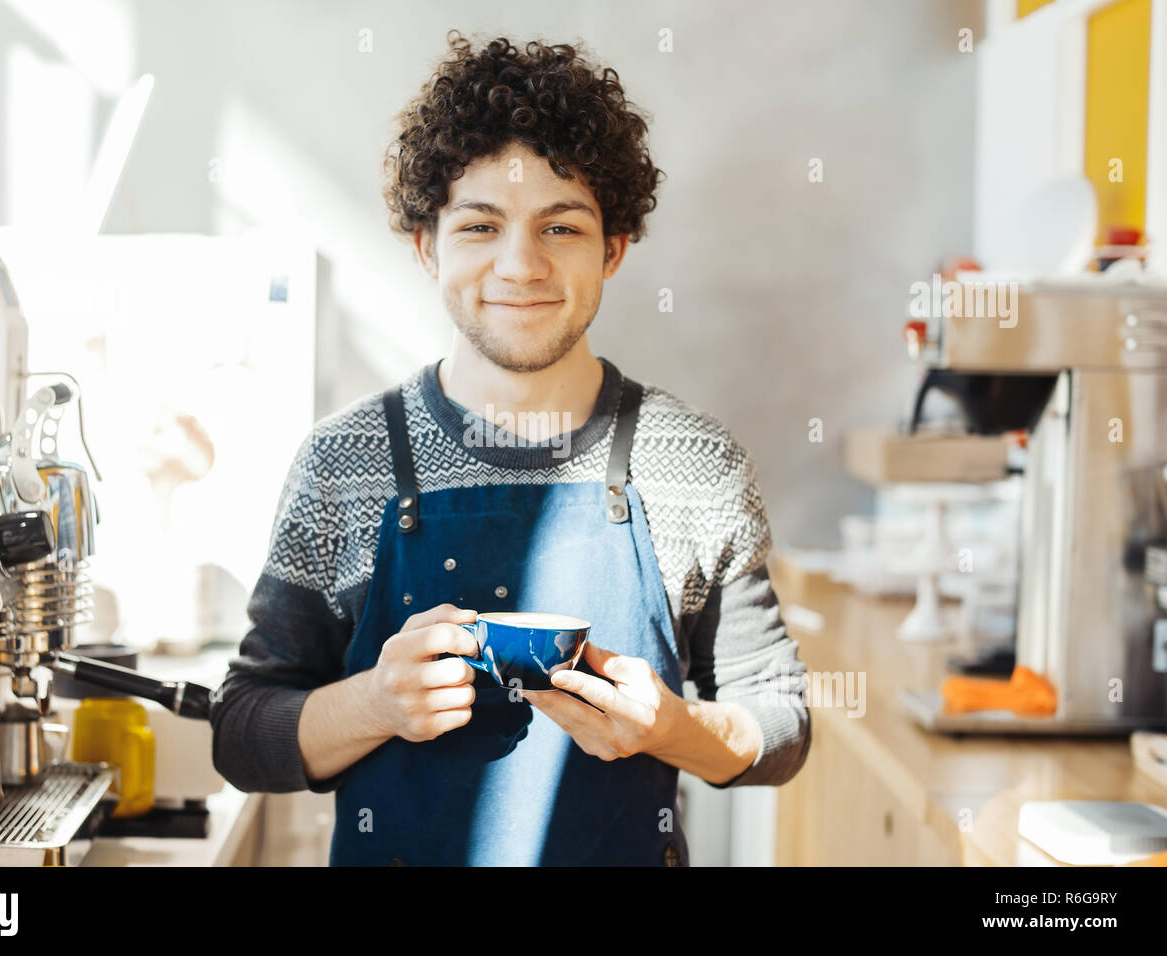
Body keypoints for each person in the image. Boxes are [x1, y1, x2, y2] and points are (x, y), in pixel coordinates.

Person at [209, 30, 810, 866]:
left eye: (560, 228)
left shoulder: (693, 464)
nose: (519, 265)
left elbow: (779, 723)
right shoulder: (343, 464)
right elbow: (241, 731)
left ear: (613, 248)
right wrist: (376, 704)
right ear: (428, 246)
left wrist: (674, 727)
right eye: (481, 225)